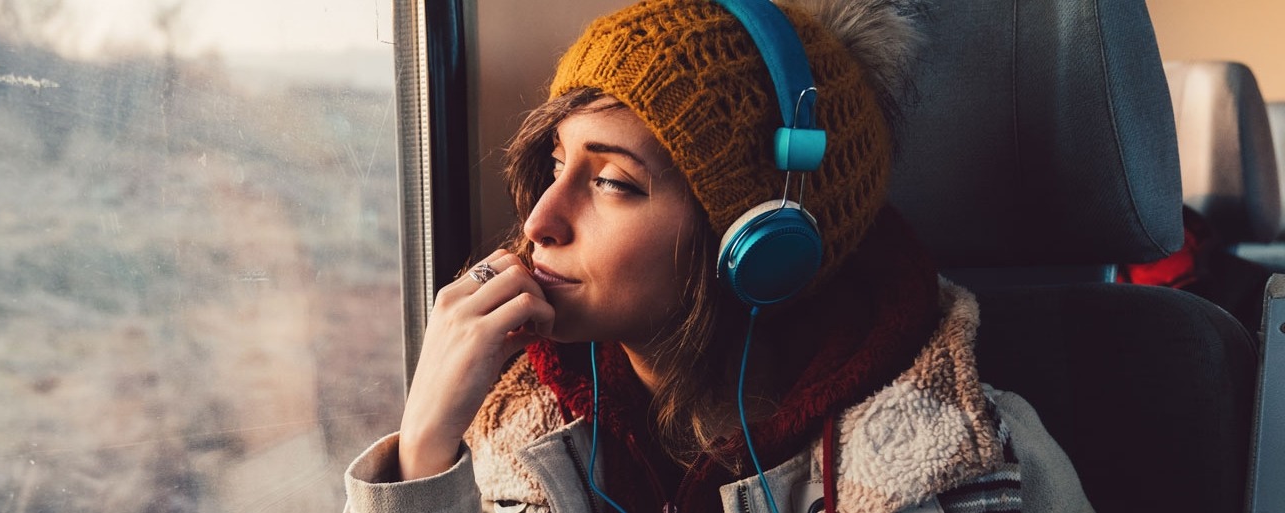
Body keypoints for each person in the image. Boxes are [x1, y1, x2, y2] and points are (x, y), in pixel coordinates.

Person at [344, 0, 1093, 512]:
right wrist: (421, 456)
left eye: (609, 181)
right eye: (553, 165)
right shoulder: (505, 437)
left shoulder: (979, 462)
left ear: (767, 243)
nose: (539, 219)